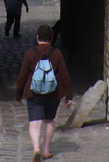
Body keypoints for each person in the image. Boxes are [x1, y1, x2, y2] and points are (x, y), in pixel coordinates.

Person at [15, 23, 73, 161]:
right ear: (52, 38)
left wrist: (18, 93)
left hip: (33, 93)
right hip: (53, 93)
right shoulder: (57, 53)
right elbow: (64, 75)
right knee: (49, 121)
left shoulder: (31, 53)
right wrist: (69, 96)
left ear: (37, 37)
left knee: (35, 122)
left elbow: (22, 75)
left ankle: (36, 149)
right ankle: (46, 150)